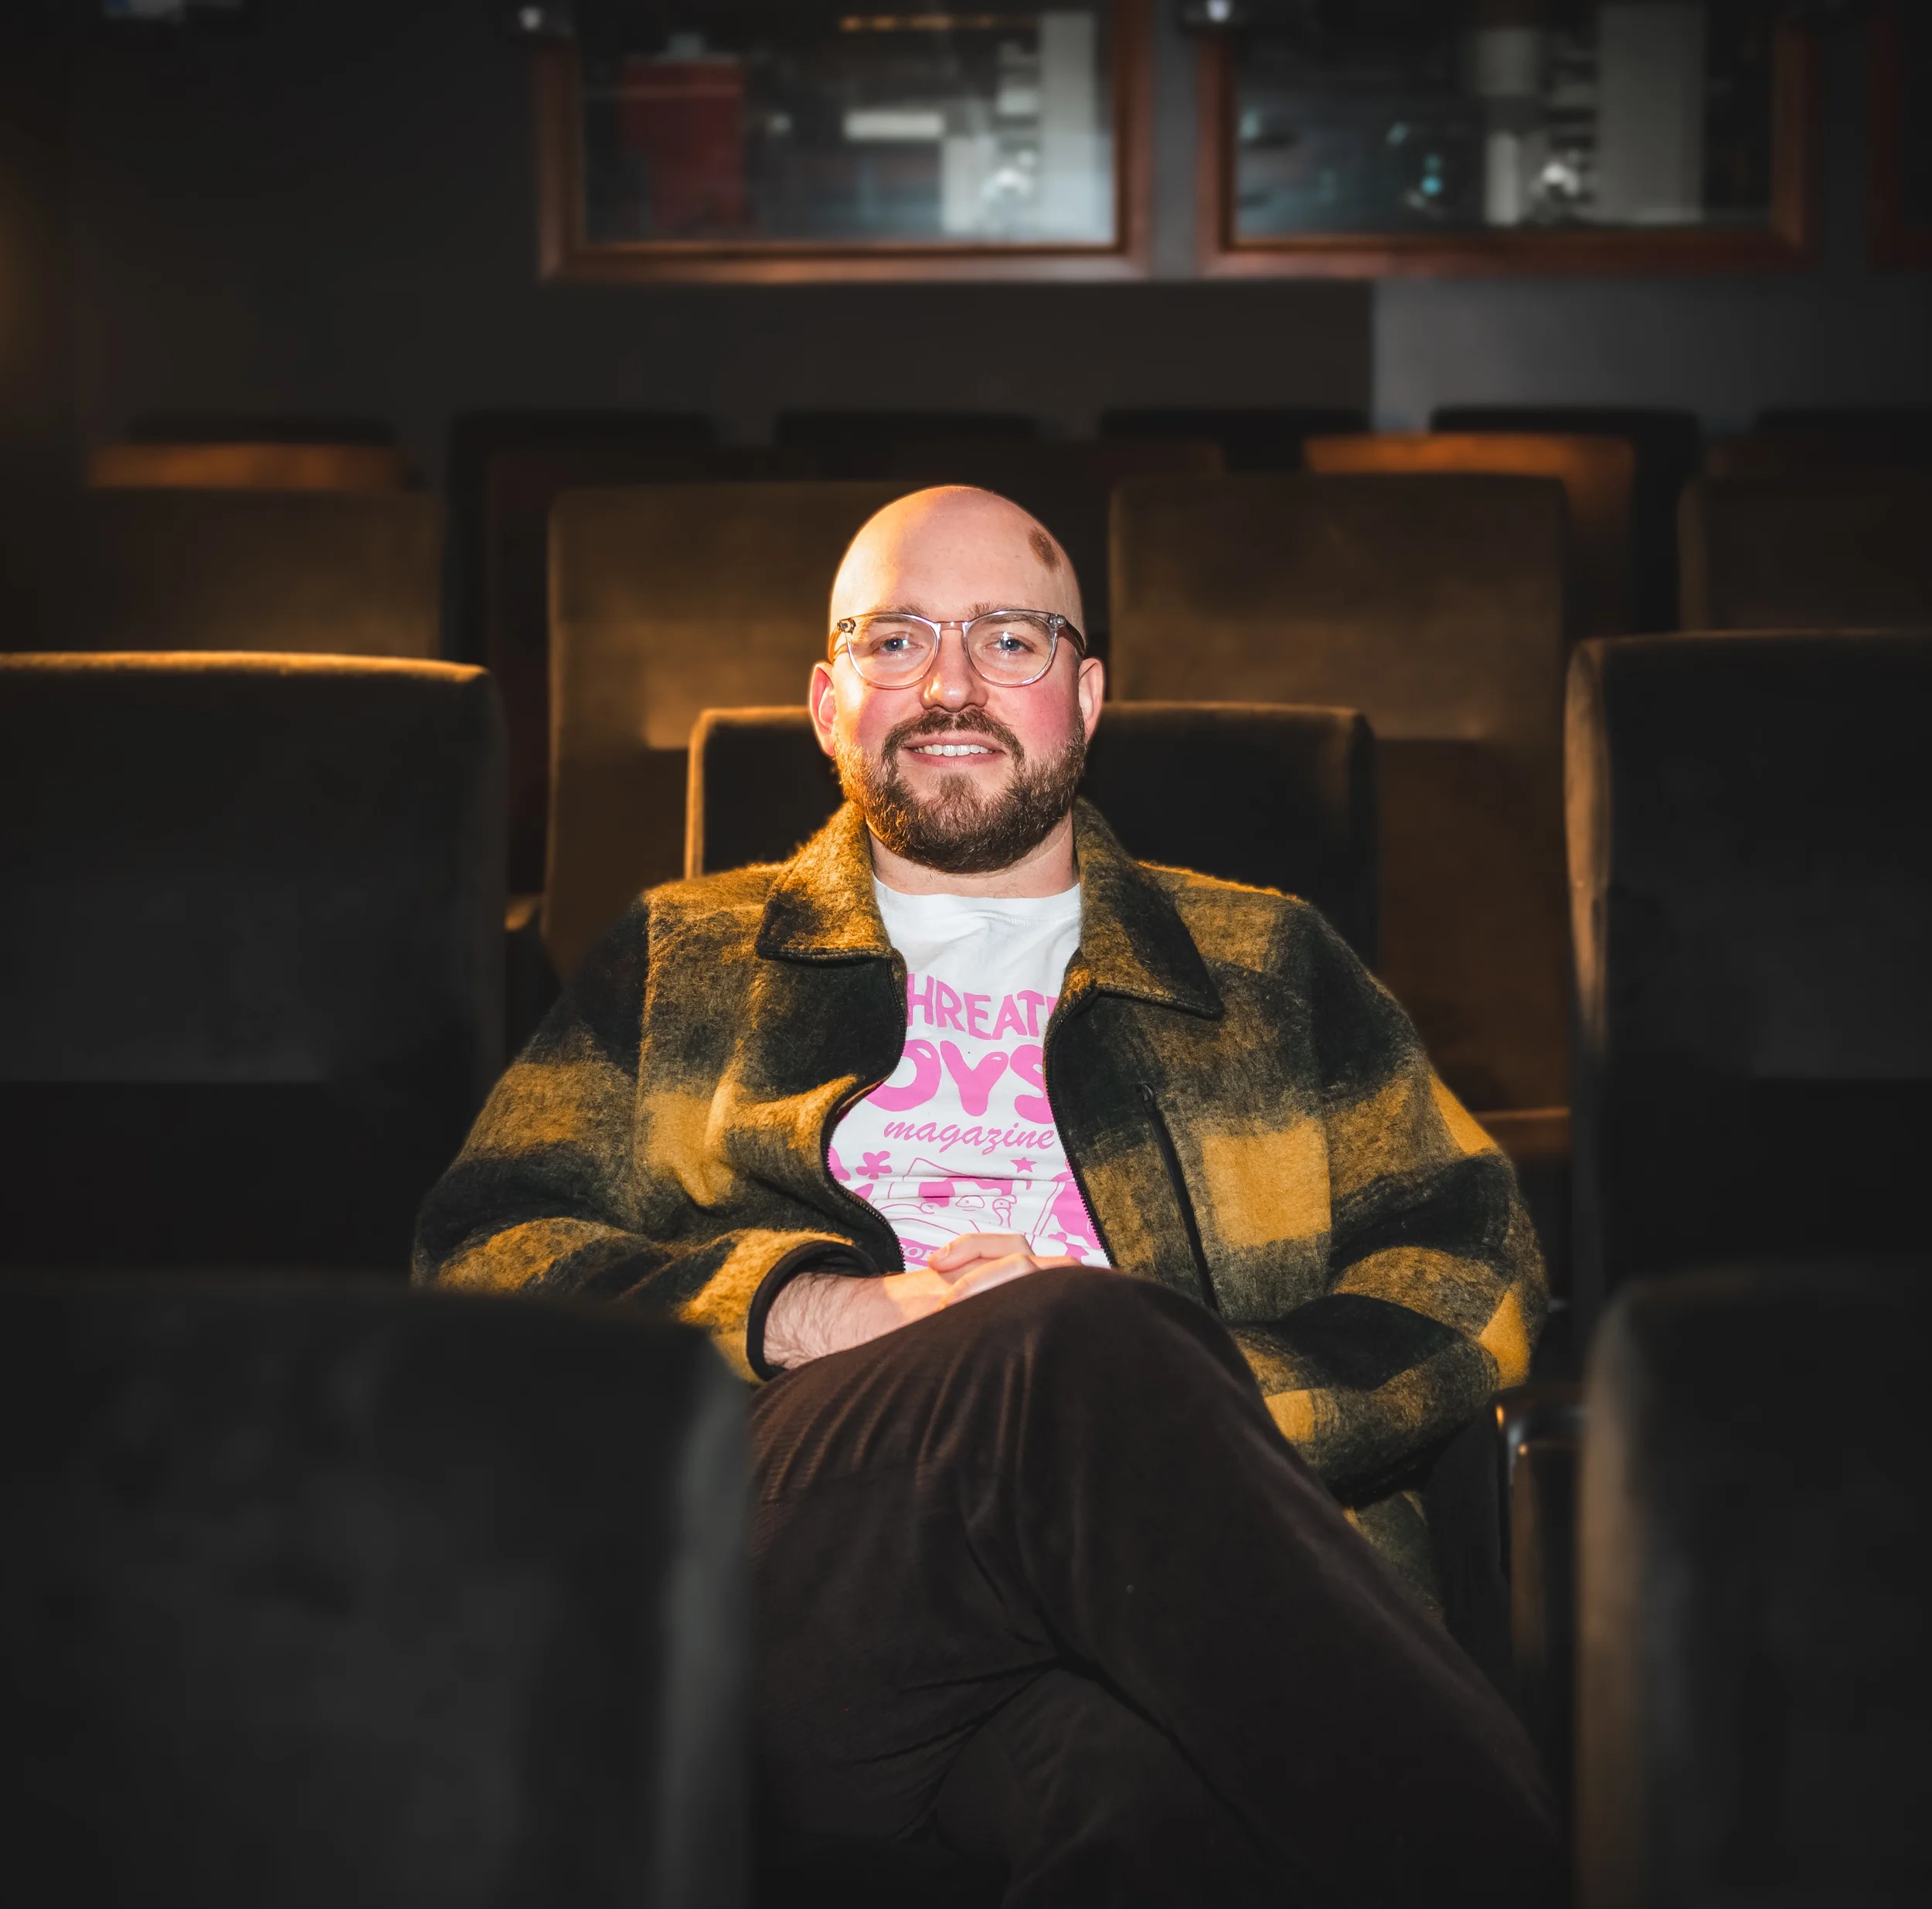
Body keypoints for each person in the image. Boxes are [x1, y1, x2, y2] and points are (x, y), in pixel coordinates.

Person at [415, 486, 1562, 1906]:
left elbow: (1478, 1260)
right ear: (830, 703)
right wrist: (814, 1314)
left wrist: (1187, 1416)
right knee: (1075, 1343)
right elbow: (483, 1252)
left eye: (1008, 640)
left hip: (1157, 1624)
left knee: (1154, 1813)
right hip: (792, 1580)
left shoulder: (1269, 964)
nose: (949, 683)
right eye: (896, 640)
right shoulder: (679, 959)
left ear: (1085, 699)